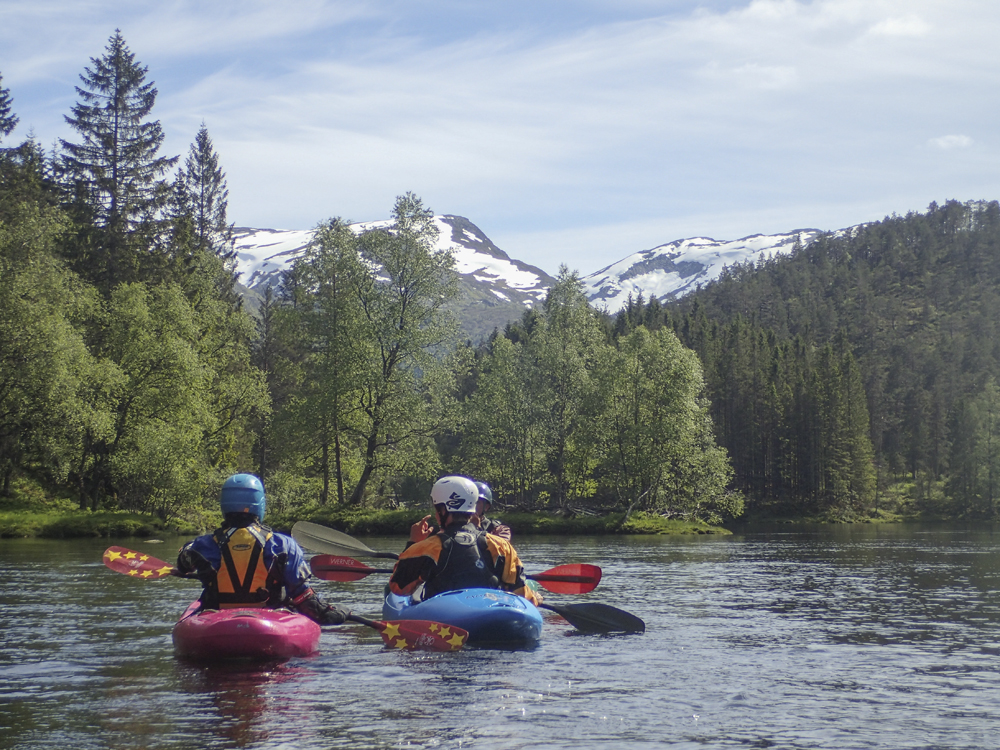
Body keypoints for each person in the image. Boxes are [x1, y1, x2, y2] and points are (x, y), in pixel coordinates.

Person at [176, 473, 349, 625]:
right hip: (269, 623)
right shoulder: (283, 545)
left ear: (224, 504)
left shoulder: (203, 545)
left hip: (217, 623)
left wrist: (189, 550)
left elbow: (183, 565)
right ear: (259, 503)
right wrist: (335, 613)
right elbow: (304, 599)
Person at [389, 475, 541, 605]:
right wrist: (535, 599)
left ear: (442, 511)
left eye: (436, 509)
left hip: (444, 616)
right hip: (491, 613)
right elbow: (520, 593)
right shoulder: (501, 546)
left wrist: (413, 543)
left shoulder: (426, 547)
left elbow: (398, 588)